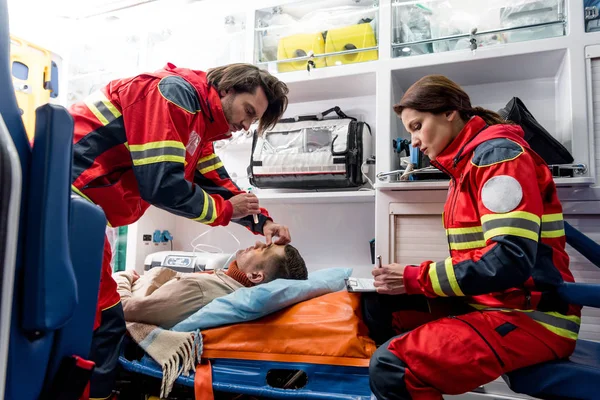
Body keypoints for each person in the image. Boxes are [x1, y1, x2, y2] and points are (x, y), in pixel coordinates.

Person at [68, 62, 292, 399]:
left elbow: (217, 182)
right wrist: (227, 210)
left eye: (253, 120)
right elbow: (161, 184)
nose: (246, 125)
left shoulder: (198, 124)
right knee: (102, 322)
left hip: (81, 205)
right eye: (248, 111)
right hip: (70, 196)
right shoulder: (175, 95)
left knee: (98, 318)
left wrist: (261, 221)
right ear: (228, 89)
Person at [366, 75, 581, 400]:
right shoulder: (465, 166)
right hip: (492, 302)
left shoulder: (499, 159)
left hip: (532, 317)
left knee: (392, 367)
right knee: (376, 305)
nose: (414, 141)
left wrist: (416, 277)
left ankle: (412, 374)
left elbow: (508, 261)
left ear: (450, 112)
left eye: (416, 126)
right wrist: (408, 279)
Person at [114, 241, 307, 328]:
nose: (257, 243)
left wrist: (124, 276)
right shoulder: (226, 284)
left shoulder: (199, 290)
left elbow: (123, 309)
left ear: (256, 276)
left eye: (264, 249)